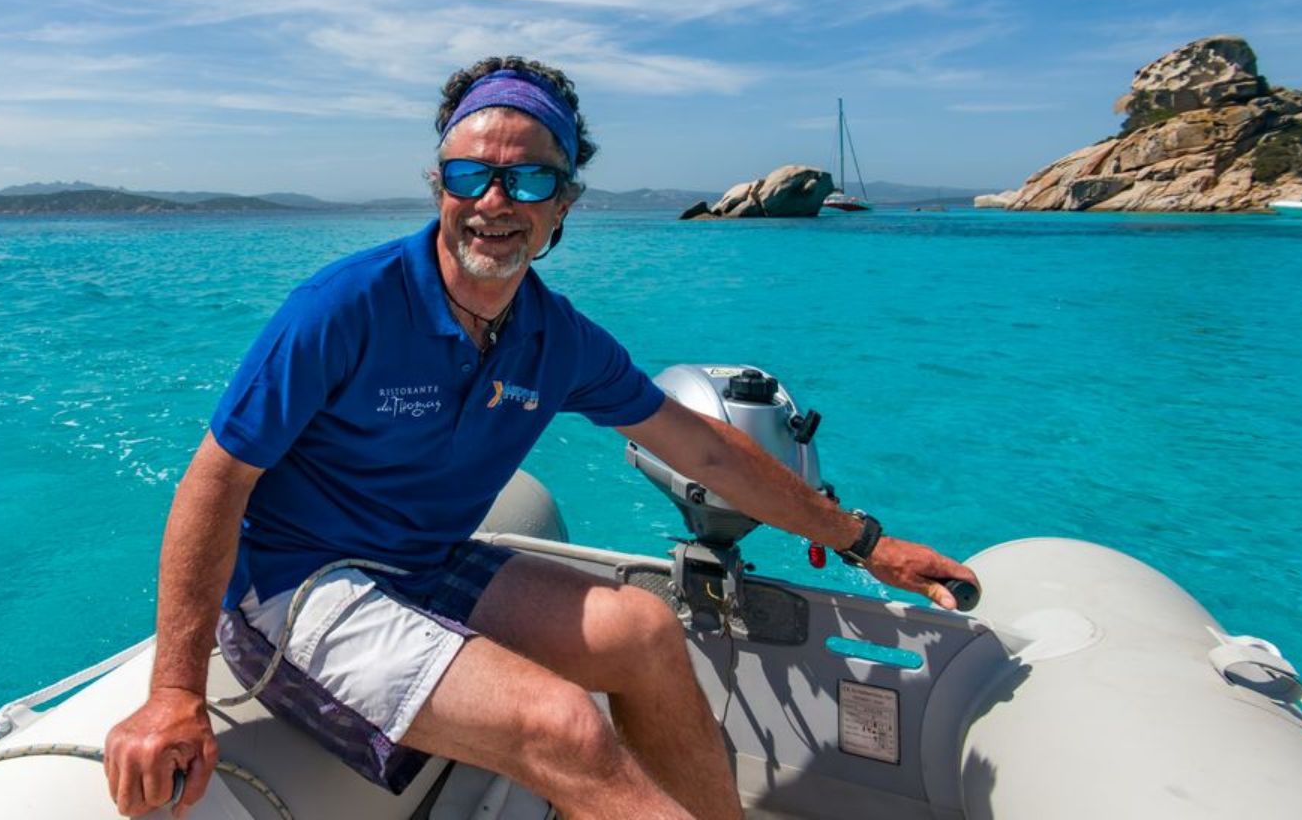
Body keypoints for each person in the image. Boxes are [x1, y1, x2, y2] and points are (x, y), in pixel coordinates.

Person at [103, 56, 977, 820]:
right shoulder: (344, 308)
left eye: (526, 182)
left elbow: (704, 450)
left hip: (425, 565)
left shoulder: (557, 341)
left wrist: (865, 542)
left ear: (564, 204)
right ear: (439, 186)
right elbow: (216, 481)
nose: (493, 203)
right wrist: (173, 690)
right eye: (469, 175)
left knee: (645, 630)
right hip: (296, 586)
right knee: (563, 725)